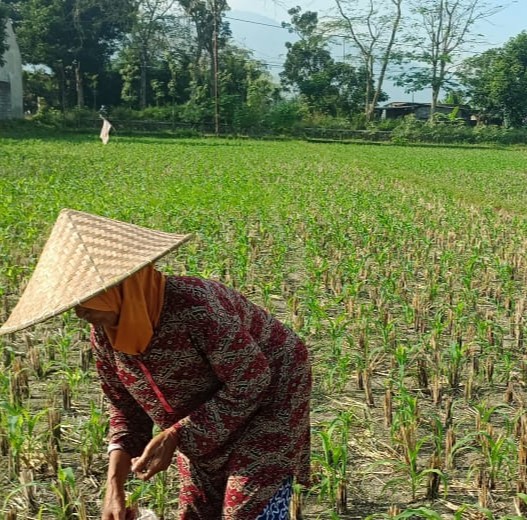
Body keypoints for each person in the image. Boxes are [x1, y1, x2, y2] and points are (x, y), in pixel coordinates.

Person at [0, 209, 311, 520]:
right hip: (201, 407)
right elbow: (123, 407)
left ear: (123, 286)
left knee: (244, 508)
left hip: (274, 394)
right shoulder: (106, 335)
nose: (81, 312)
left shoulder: (197, 308)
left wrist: (176, 434)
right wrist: (114, 489)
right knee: (197, 508)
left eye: (87, 299)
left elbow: (251, 380)